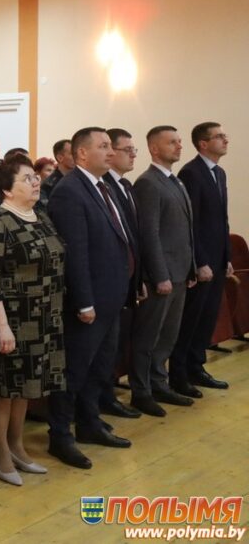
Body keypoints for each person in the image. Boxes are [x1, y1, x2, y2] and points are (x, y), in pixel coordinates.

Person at [0, 156, 65, 487]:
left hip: (45, 317)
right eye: (27, 179)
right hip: (13, 319)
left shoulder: (40, 216)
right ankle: (0, 451)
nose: (36, 182)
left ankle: (17, 447)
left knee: (27, 386)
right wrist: (2, 326)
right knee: (5, 388)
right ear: (7, 190)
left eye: (35, 177)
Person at [46, 127, 134, 471]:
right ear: (82, 153)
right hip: (89, 301)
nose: (111, 152)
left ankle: (89, 422)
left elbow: (121, 238)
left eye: (111, 146)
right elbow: (75, 253)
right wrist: (83, 302)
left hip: (111, 295)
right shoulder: (70, 191)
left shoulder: (103, 186)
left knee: (100, 366)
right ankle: (60, 435)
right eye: (103, 146)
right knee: (74, 370)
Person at [129, 126, 198, 416]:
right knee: (148, 337)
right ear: (154, 148)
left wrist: (191, 267)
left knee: (168, 335)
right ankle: (141, 391)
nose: (179, 146)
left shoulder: (175, 181)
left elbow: (185, 230)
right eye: (172, 142)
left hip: (180, 272)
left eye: (179, 142)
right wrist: (159, 275)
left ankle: (159, 383)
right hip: (162, 275)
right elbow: (150, 234)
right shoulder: (148, 183)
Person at [172, 122, 234, 394]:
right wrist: (200, 261)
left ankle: (196, 367)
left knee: (207, 318)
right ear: (203, 144)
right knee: (192, 319)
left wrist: (227, 256)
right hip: (202, 263)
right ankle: (179, 374)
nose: (225, 140)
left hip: (217, 260)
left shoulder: (219, 173)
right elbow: (191, 222)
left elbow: (221, 219)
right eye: (219, 136)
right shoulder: (191, 172)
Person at [98, 128, 145, 420]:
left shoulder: (125, 186)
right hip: (107, 281)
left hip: (126, 278)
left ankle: (108, 394)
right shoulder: (104, 187)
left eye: (133, 150)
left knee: (116, 345)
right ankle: (102, 398)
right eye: (127, 150)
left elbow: (132, 236)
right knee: (104, 349)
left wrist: (138, 278)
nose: (132, 155)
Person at [40, 139, 73, 203]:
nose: (77, 157)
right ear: (60, 158)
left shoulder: (80, 179)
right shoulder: (49, 185)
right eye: (72, 154)